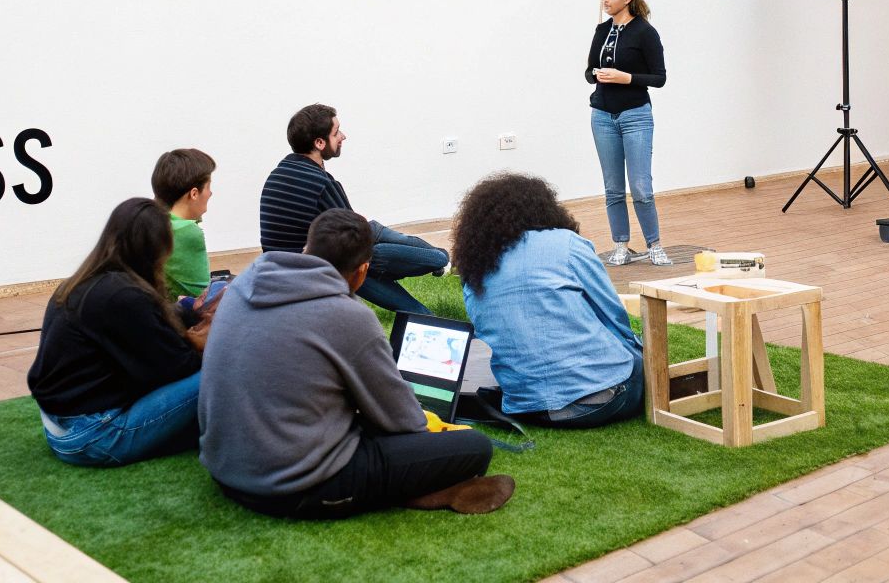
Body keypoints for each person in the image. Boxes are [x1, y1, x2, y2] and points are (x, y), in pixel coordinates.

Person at [199, 210, 511, 518]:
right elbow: (404, 422)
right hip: (291, 488)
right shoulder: (348, 316)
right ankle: (425, 492)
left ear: (307, 250)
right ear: (362, 272)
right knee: (472, 447)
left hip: (225, 468)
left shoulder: (241, 285)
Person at [26, 198, 213, 467]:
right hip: (92, 436)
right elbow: (178, 367)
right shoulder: (125, 297)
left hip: (59, 428)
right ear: (157, 248)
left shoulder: (84, 283)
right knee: (220, 367)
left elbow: (153, 321)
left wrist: (190, 314)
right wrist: (205, 339)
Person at [452, 172, 645, 428]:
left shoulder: (475, 267)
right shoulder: (566, 244)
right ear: (544, 208)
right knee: (643, 360)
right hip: (601, 399)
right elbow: (613, 314)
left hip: (524, 405)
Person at [258, 103, 448, 314]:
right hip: (318, 270)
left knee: (372, 231)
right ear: (320, 143)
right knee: (432, 258)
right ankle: (439, 265)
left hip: (282, 268)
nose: (343, 136)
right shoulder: (321, 183)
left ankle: (427, 301)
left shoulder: (278, 173)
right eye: (336, 132)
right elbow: (355, 239)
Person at [586, 0, 670, 266]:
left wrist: (625, 78)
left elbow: (659, 78)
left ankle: (655, 245)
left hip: (635, 116)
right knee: (612, 187)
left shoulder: (645, 33)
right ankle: (620, 245)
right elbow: (588, 71)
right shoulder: (602, 31)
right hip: (602, 116)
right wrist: (596, 75)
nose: (605, 1)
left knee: (640, 187)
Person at [151, 148, 215, 300]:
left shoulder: (153, 221)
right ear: (194, 194)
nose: (211, 193)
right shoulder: (186, 232)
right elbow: (202, 300)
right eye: (208, 187)